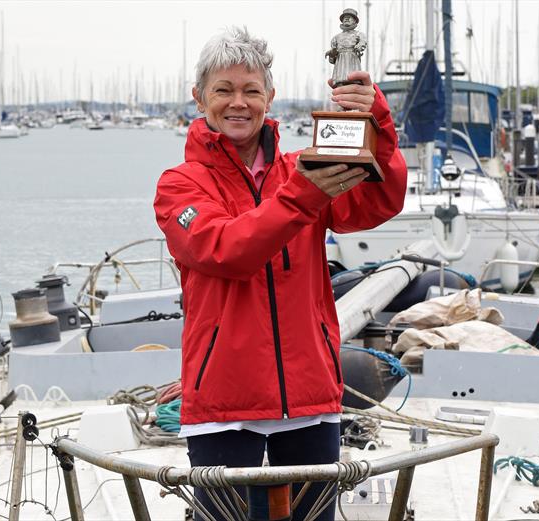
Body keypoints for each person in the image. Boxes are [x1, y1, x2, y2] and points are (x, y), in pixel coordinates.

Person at [154, 26, 406, 521]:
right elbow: (226, 250)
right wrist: (304, 195)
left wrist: (375, 116)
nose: (238, 103)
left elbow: (379, 200)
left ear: (271, 97)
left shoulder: (303, 169)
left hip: (310, 399)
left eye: (251, 90)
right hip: (222, 408)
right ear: (199, 97)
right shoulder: (178, 186)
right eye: (223, 90)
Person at [326, 9, 367, 86]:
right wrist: (331, 53)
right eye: (345, 17)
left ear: (355, 21)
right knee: (340, 83)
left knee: (354, 81)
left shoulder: (359, 34)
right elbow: (333, 57)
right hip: (340, 62)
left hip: (352, 59)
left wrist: (359, 46)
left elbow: (363, 42)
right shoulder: (336, 37)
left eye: (349, 17)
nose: (346, 19)